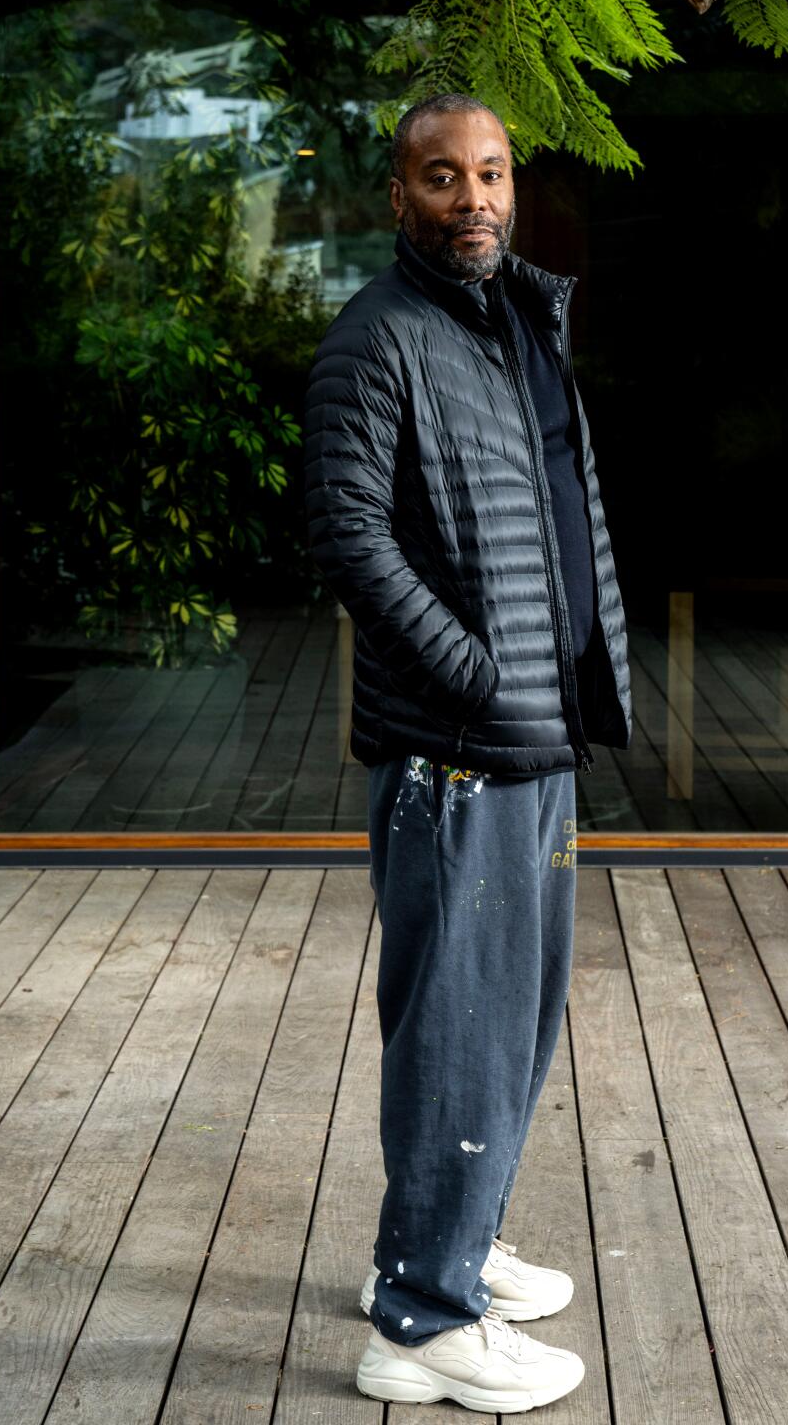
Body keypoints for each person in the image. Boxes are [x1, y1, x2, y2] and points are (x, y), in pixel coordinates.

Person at [303, 93, 633, 1412]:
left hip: (535, 743)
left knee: (514, 1023)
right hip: (457, 751)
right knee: (458, 1035)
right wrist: (474, 671)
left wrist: (553, 689)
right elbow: (347, 537)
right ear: (402, 198)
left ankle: (457, 1244)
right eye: (443, 178)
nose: (474, 197)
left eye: (490, 173)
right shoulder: (376, 339)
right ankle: (423, 1324)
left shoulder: (513, 325)